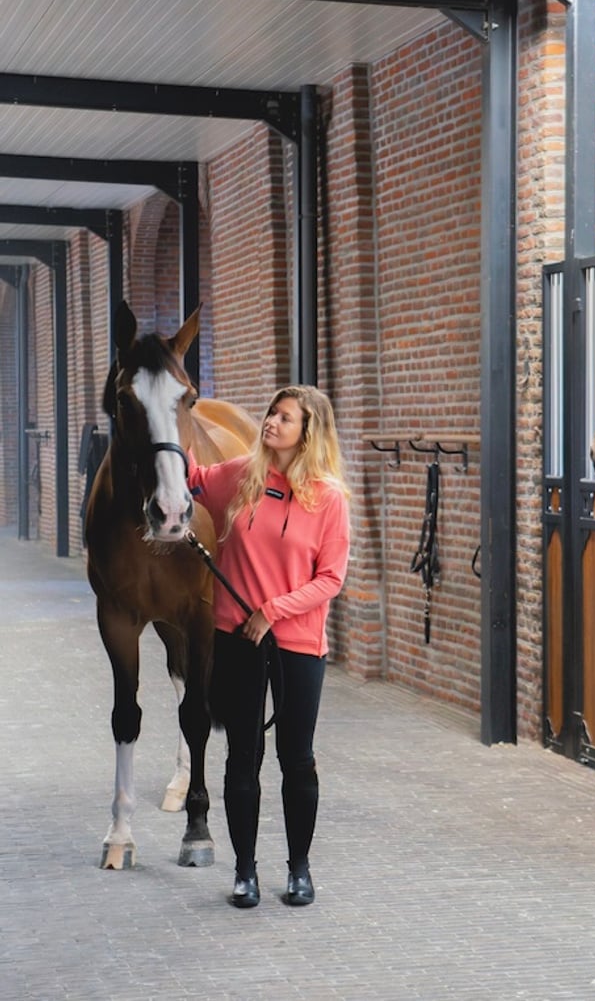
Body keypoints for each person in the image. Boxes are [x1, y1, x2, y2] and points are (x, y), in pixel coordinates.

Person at [188, 385, 350, 908]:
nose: (272, 423)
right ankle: (244, 871)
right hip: (235, 640)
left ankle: (299, 869)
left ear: (309, 431)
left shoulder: (328, 498)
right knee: (242, 757)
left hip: (297, 644)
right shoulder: (237, 477)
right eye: (271, 414)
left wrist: (272, 611)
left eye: (285, 418)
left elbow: (331, 578)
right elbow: (188, 478)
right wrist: (173, 419)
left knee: (296, 758)